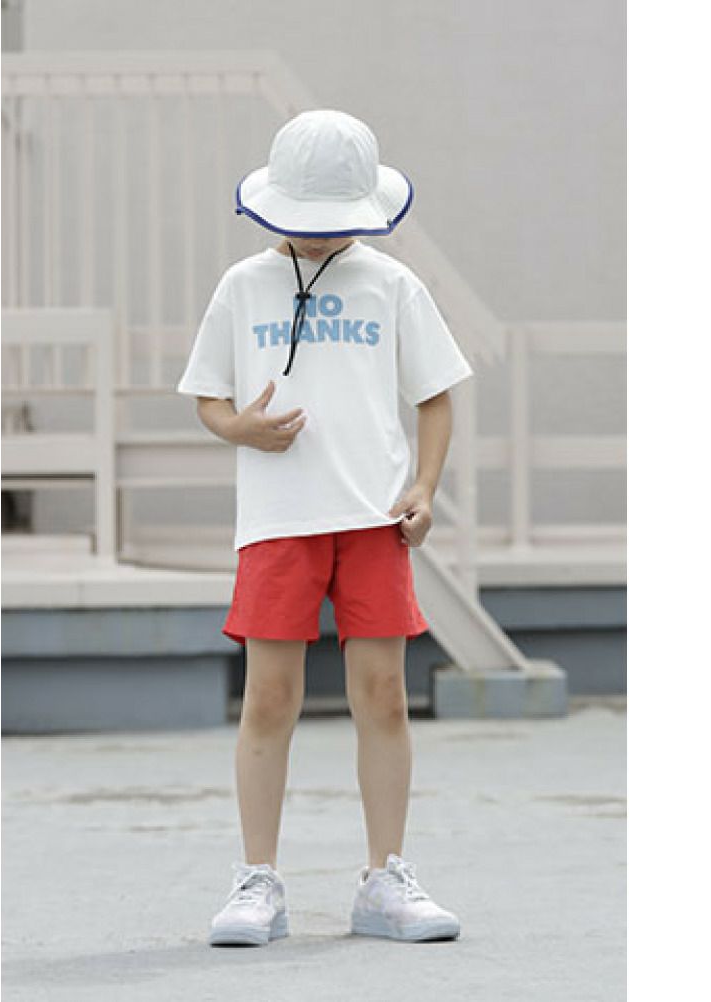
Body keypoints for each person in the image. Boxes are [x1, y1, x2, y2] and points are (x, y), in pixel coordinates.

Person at [175, 109, 474, 946]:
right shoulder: (242, 286)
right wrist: (239, 428)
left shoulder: (392, 285)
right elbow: (209, 397)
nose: (316, 233)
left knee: (383, 696)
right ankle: (257, 881)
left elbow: (435, 396)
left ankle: (385, 879)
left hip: (374, 519)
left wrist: (424, 486)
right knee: (270, 698)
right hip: (278, 523)